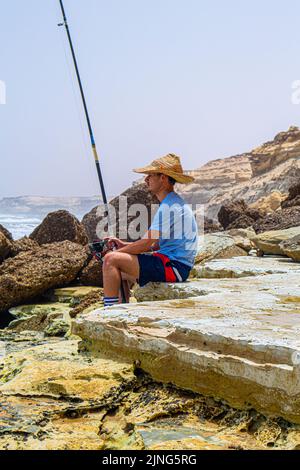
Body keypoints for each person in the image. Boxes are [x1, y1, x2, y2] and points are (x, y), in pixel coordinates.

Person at [102, 154, 199, 307]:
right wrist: (123, 245)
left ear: (164, 178)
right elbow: (157, 245)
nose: (146, 179)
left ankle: (109, 312)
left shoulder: (169, 206)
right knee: (118, 272)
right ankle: (121, 309)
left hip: (174, 267)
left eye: (150, 175)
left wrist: (118, 253)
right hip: (175, 265)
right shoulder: (173, 203)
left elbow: (147, 243)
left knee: (110, 260)